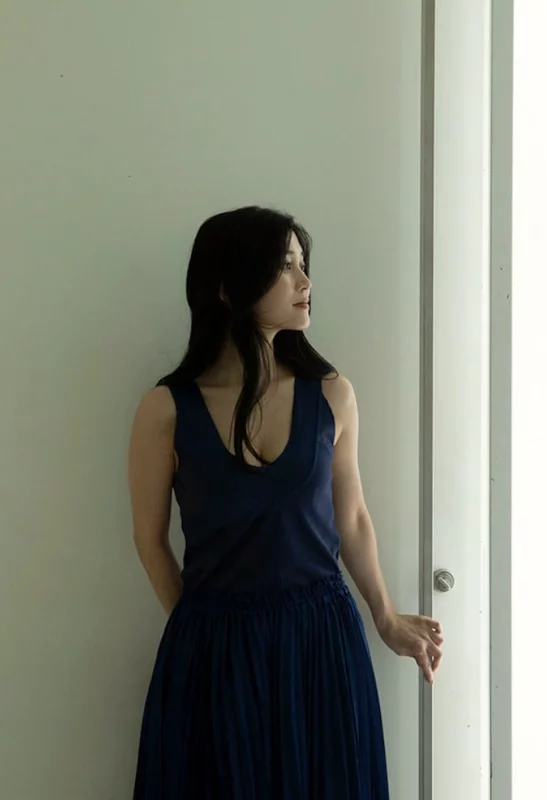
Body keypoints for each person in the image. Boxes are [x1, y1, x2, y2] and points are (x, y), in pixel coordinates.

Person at [127, 206, 444, 799]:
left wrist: (385, 616)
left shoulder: (332, 396)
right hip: (215, 647)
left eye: (303, 264)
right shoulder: (165, 411)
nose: (305, 281)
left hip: (322, 643)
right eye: (284, 266)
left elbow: (352, 517)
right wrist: (201, 638)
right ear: (227, 288)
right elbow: (150, 539)